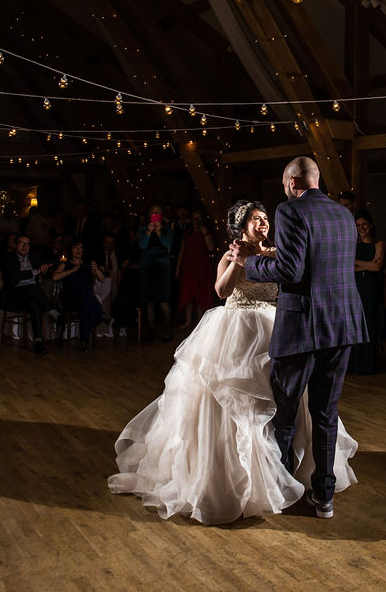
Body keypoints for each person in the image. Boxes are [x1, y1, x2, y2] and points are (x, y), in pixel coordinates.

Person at [110, 199, 357, 525]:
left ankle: (283, 472)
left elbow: (287, 285)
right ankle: (239, 477)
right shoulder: (231, 255)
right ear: (242, 227)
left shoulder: (277, 253)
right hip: (236, 329)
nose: (264, 223)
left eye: (266, 218)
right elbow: (222, 291)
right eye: (257, 219)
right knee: (235, 403)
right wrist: (239, 261)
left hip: (275, 329)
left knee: (283, 403)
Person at [231, 157, 367, 519]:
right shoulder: (344, 215)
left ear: (292, 182)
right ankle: (324, 497)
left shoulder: (291, 211)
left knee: (285, 413)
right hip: (342, 324)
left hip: (303, 325)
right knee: (325, 412)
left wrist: (251, 264)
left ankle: (283, 490)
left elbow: (290, 269)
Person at [0, 235, 56, 355]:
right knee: (32, 288)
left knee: (34, 303)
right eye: (21, 243)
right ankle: (53, 312)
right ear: (16, 245)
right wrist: (35, 272)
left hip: (30, 295)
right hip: (14, 296)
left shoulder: (33, 259)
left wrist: (44, 271)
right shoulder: (7, 258)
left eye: (27, 244)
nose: (25, 246)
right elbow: (13, 276)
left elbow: (44, 273)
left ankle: (38, 342)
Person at [349, 209, 385, 375]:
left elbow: (377, 266)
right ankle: (354, 366)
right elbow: (346, 267)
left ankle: (367, 366)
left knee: (368, 323)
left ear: (370, 225)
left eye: (364, 224)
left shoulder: (378, 244)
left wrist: (357, 263)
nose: (361, 228)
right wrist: (367, 265)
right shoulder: (352, 244)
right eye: (358, 225)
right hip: (355, 287)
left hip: (370, 287)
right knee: (354, 324)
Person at [53, 240, 104, 353]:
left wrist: (95, 270)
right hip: (70, 298)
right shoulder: (65, 262)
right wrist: (72, 270)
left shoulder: (88, 263)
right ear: (71, 249)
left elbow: (101, 279)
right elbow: (55, 277)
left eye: (80, 247)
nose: (78, 250)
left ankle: (84, 342)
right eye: (75, 247)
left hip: (84, 299)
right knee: (85, 296)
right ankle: (100, 315)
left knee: (85, 305)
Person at [138, 204, 174, 341]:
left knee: (163, 300)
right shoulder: (143, 229)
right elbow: (142, 245)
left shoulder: (167, 230)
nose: (155, 215)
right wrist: (148, 232)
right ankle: (151, 331)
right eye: (153, 213)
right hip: (147, 267)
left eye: (158, 213)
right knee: (149, 301)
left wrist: (159, 233)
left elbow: (167, 244)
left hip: (162, 267)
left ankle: (168, 330)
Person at [175, 210, 215, 331]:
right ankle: (188, 321)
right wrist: (177, 268)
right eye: (194, 218)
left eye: (199, 218)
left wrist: (204, 232)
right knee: (188, 294)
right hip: (188, 267)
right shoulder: (187, 233)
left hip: (202, 266)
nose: (196, 221)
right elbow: (182, 250)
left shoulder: (206, 233)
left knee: (200, 293)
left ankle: (200, 322)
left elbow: (211, 248)